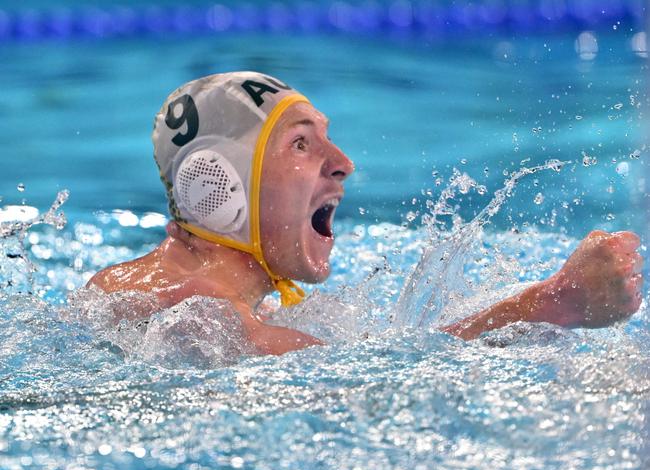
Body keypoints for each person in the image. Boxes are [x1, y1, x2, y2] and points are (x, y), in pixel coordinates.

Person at [88, 71, 644, 354]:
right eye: (301, 145)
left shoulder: (125, 282)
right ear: (221, 186)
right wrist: (552, 303)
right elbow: (391, 379)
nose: (343, 163)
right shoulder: (204, 315)